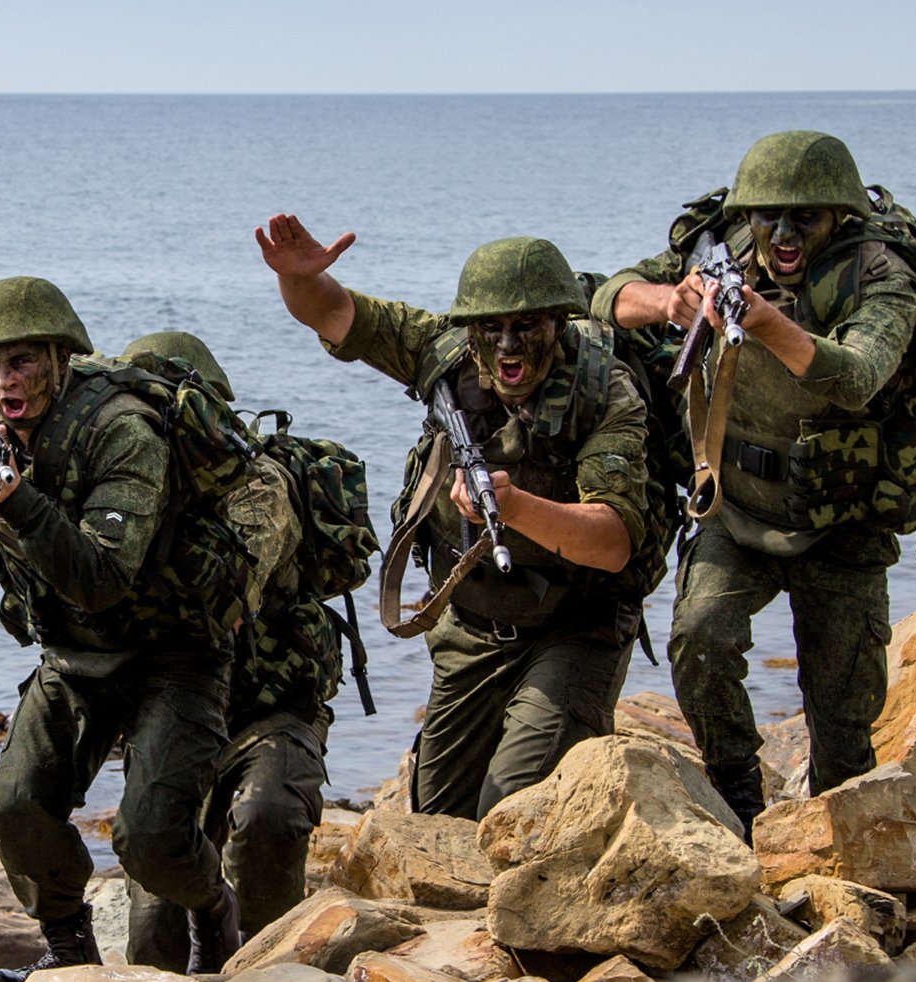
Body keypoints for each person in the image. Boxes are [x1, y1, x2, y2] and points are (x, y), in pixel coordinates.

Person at [259, 218, 654, 819]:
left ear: (559, 322)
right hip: (471, 628)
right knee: (436, 818)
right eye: (491, 328)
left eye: (527, 327)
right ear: (471, 328)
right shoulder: (442, 350)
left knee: (513, 801)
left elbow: (614, 540)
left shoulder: (604, 394)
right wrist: (298, 279)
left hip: (575, 624)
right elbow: (335, 313)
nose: (508, 346)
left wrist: (514, 506)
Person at [591, 131, 916, 838]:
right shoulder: (723, 249)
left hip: (842, 522)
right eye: (768, 216)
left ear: (839, 215)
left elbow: (859, 376)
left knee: (843, 719)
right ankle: (740, 798)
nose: (784, 235)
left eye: (805, 218)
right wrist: (670, 301)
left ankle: (842, 850)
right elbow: (606, 297)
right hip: (737, 508)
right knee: (699, 641)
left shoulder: (882, 275)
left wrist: (767, 323)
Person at [0, 278, 244, 982]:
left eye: (22, 362)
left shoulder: (122, 429)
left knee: (150, 839)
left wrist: (15, 500)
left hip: (172, 650)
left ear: (59, 357)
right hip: (74, 655)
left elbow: (102, 577)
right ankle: (69, 953)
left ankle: (214, 909)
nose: (5, 382)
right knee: (17, 808)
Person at [114, 331, 346, 965]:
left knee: (268, 817)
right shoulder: (120, 488)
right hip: (173, 719)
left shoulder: (258, 486)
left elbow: (225, 594)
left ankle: (273, 977)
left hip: (271, 707)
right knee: (155, 932)